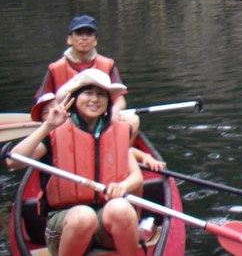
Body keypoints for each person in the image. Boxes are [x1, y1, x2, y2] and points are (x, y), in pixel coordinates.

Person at [7, 69, 144, 256]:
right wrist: (47, 126)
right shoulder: (56, 132)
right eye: (88, 93)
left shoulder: (117, 132)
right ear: (74, 98)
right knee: (83, 216)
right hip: (66, 223)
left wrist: (123, 185)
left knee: (122, 209)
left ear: (108, 101)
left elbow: (136, 176)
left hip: (105, 220)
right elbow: (13, 162)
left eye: (101, 94)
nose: (95, 99)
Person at [33, 15, 137, 135]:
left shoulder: (108, 64)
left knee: (133, 121)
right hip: (66, 119)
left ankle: (126, 151)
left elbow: (119, 100)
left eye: (89, 34)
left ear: (95, 41)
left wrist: (114, 112)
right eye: (79, 33)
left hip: (99, 116)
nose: (84, 38)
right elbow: (42, 102)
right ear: (69, 39)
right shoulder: (55, 68)